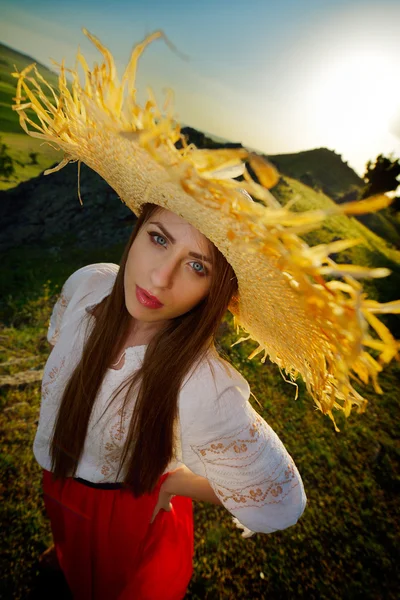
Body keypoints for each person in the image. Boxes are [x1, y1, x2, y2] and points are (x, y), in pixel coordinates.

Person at [13, 27, 399, 600]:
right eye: (159, 238)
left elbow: (281, 500)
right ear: (137, 228)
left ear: (215, 292)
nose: (159, 277)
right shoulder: (87, 284)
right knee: (72, 560)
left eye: (198, 267)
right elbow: (61, 358)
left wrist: (175, 483)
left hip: (127, 517)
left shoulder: (202, 388)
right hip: (59, 484)